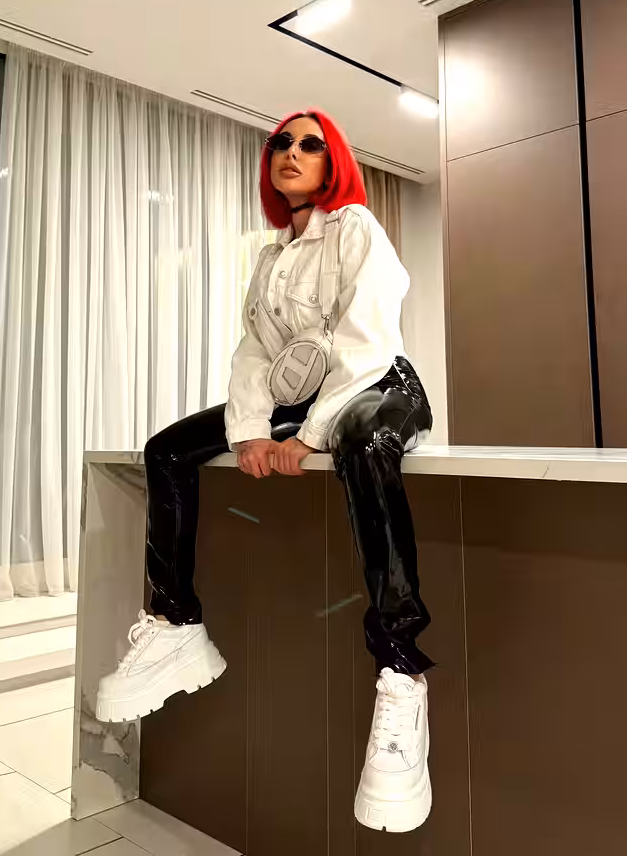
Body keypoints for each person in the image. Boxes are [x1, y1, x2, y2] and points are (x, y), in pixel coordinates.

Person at [96, 110, 434, 833]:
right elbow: (255, 354)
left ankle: (401, 669)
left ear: (333, 162)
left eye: (311, 144)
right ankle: (176, 621)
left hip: (380, 383)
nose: (292, 152)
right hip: (304, 397)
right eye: (282, 142)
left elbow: (365, 339)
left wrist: (309, 436)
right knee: (167, 451)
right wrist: (249, 430)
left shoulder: (355, 228)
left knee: (362, 446)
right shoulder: (271, 255)